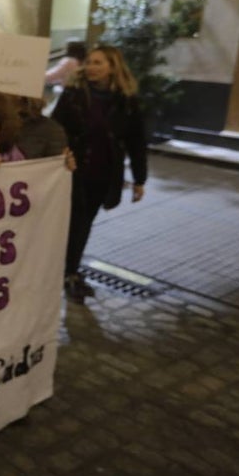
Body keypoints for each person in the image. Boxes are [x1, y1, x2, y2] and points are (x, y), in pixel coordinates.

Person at [52, 45, 147, 302]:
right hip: (71, 171)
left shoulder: (126, 100)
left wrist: (140, 179)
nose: (91, 67)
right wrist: (61, 151)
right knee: (72, 223)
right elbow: (55, 128)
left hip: (103, 174)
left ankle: (70, 271)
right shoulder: (73, 94)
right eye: (90, 62)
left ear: (113, 67)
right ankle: (66, 271)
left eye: (98, 63)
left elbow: (136, 141)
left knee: (83, 224)